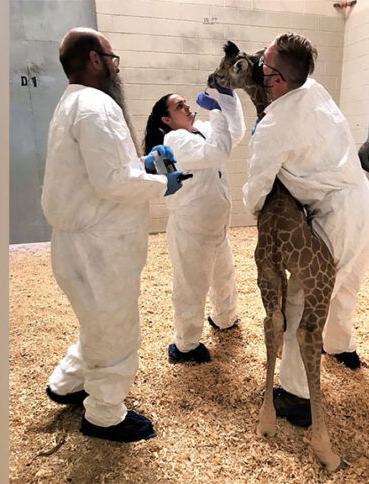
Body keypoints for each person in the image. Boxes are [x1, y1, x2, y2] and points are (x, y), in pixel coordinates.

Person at [41, 27, 188, 442]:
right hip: (101, 245)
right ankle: (105, 415)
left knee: (96, 320)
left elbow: (98, 169)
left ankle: (67, 383)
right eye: (112, 58)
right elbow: (112, 182)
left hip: (75, 240)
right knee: (116, 327)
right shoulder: (97, 106)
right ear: (94, 60)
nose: (116, 67)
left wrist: (142, 162)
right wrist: (161, 183)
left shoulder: (71, 104)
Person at [243, 32, 369, 427]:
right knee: (345, 286)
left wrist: (254, 205)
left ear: (275, 79)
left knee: (301, 303)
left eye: (264, 66)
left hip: (334, 218)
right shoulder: (315, 89)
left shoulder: (274, 125)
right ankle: (340, 346)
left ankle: (296, 395)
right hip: (366, 206)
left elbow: (257, 189)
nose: (260, 69)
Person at [142, 79, 246, 364]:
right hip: (191, 229)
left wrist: (227, 98)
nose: (187, 107)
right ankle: (186, 345)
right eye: (179, 106)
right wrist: (216, 111)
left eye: (185, 103)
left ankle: (224, 318)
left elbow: (233, 133)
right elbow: (217, 152)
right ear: (166, 119)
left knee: (224, 277)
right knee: (191, 287)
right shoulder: (175, 140)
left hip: (216, 226)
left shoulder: (200, 130)